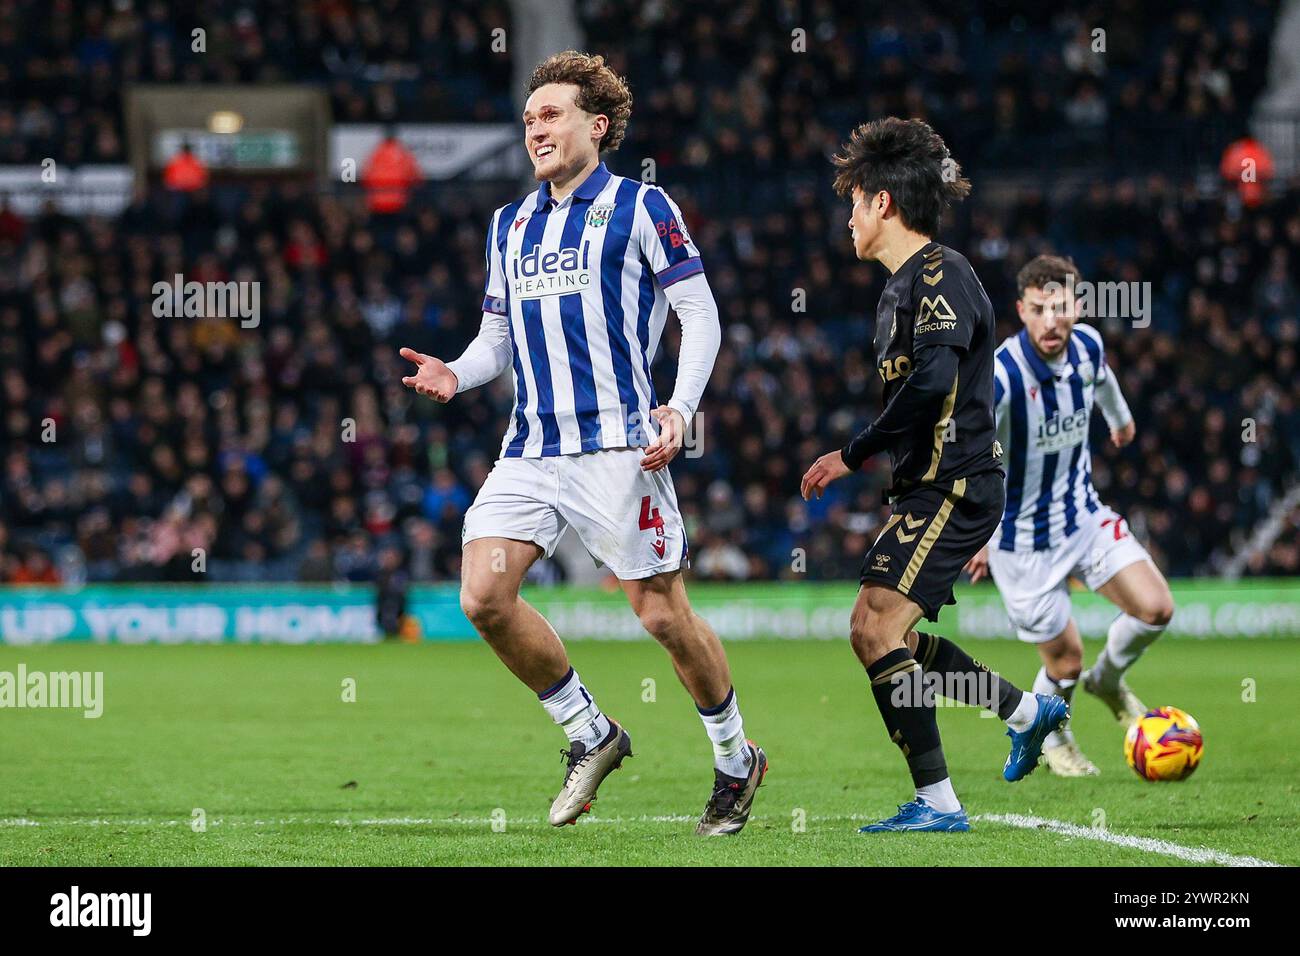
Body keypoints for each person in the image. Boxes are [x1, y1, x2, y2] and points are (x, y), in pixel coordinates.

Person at [399, 51, 765, 835]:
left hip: (618, 446)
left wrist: (679, 406)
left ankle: (737, 760)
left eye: (552, 114)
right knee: (483, 597)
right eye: (529, 117)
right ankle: (591, 732)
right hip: (531, 447)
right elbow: (496, 339)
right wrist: (455, 375)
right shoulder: (511, 223)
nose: (537, 128)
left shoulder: (642, 207)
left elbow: (700, 315)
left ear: (596, 126)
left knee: (663, 617)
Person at [801, 117, 1067, 833]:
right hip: (929, 486)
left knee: (872, 628)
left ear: (883, 202)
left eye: (853, 202)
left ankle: (940, 805)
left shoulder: (941, 272)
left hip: (956, 483)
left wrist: (850, 453)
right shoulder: (897, 291)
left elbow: (932, 382)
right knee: (899, 638)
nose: (848, 218)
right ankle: (1025, 710)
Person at [963, 254, 1175, 776]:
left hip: (1082, 517)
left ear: (1077, 307)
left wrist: (1120, 422)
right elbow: (967, 452)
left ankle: (1108, 681)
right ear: (1021, 310)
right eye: (1039, 309)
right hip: (1021, 542)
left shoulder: (1088, 346)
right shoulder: (1004, 375)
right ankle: (1053, 736)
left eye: (1060, 308)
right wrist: (975, 531)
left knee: (1156, 609)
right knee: (1065, 664)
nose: (1051, 320)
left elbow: (1102, 381)